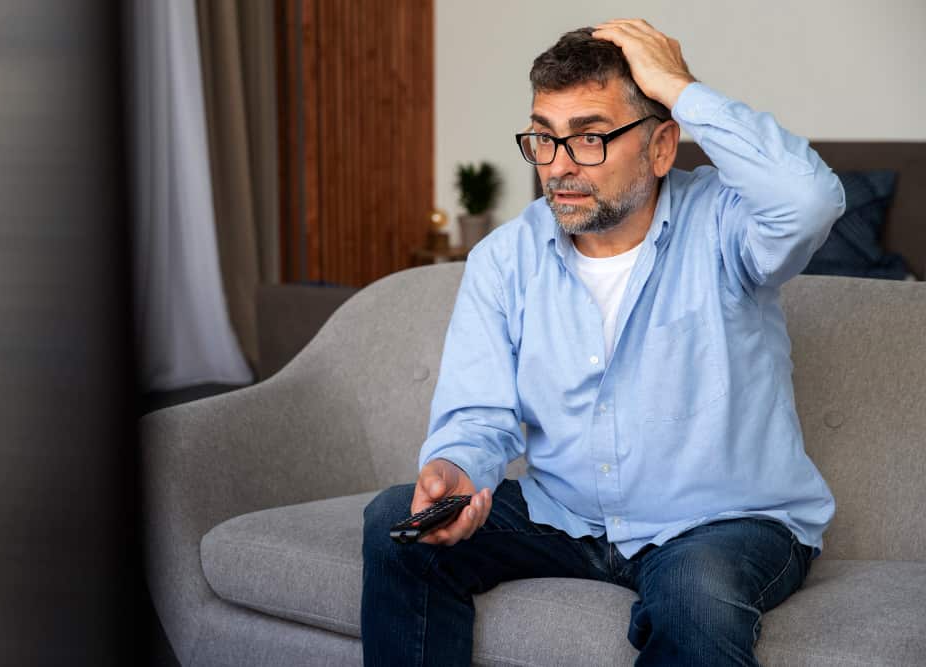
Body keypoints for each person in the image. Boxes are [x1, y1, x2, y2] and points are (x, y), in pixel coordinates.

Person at [361, 18, 843, 667]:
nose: (559, 166)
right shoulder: (504, 259)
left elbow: (811, 200)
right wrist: (457, 469)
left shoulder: (727, 227)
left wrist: (679, 86)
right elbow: (478, 415)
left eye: (590, 137)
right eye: (544, 138)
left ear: (661, 147)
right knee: (395, 523)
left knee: (695, 594)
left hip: (721, 524)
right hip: (567, 519)